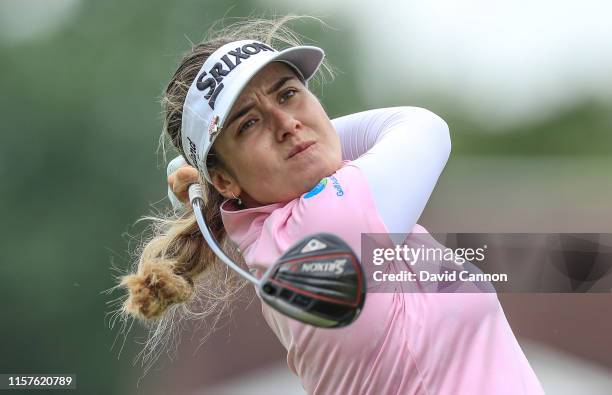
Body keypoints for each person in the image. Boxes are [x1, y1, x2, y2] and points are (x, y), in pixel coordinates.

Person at [120, 16, 544, 394]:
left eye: (287, 94)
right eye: (248, 123)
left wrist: (232, 166)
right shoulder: (318, 227)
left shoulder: (295, 226)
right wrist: (310, 138)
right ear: (224, 180)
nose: (287, 125)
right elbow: (423, 127)